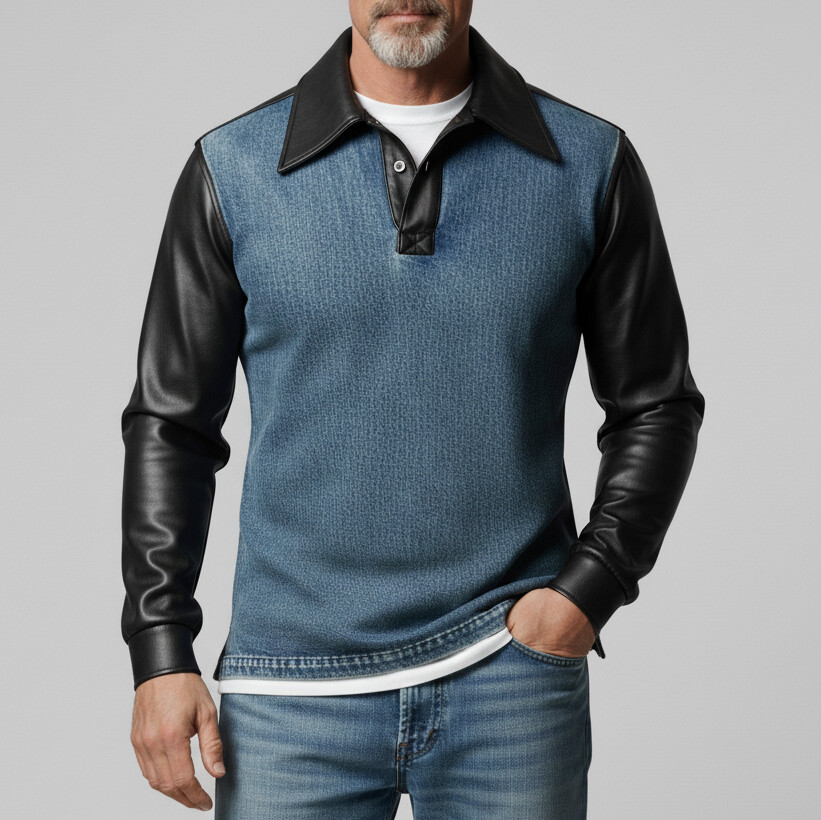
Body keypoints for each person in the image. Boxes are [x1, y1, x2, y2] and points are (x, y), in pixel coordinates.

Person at [120, 1, 705, 817]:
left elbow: (656, 403)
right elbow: (172, 426)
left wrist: (588, 590)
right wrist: (159, 648)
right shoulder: (235, 166)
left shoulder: (587, 160)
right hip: (289, 687)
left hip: (509, 673)